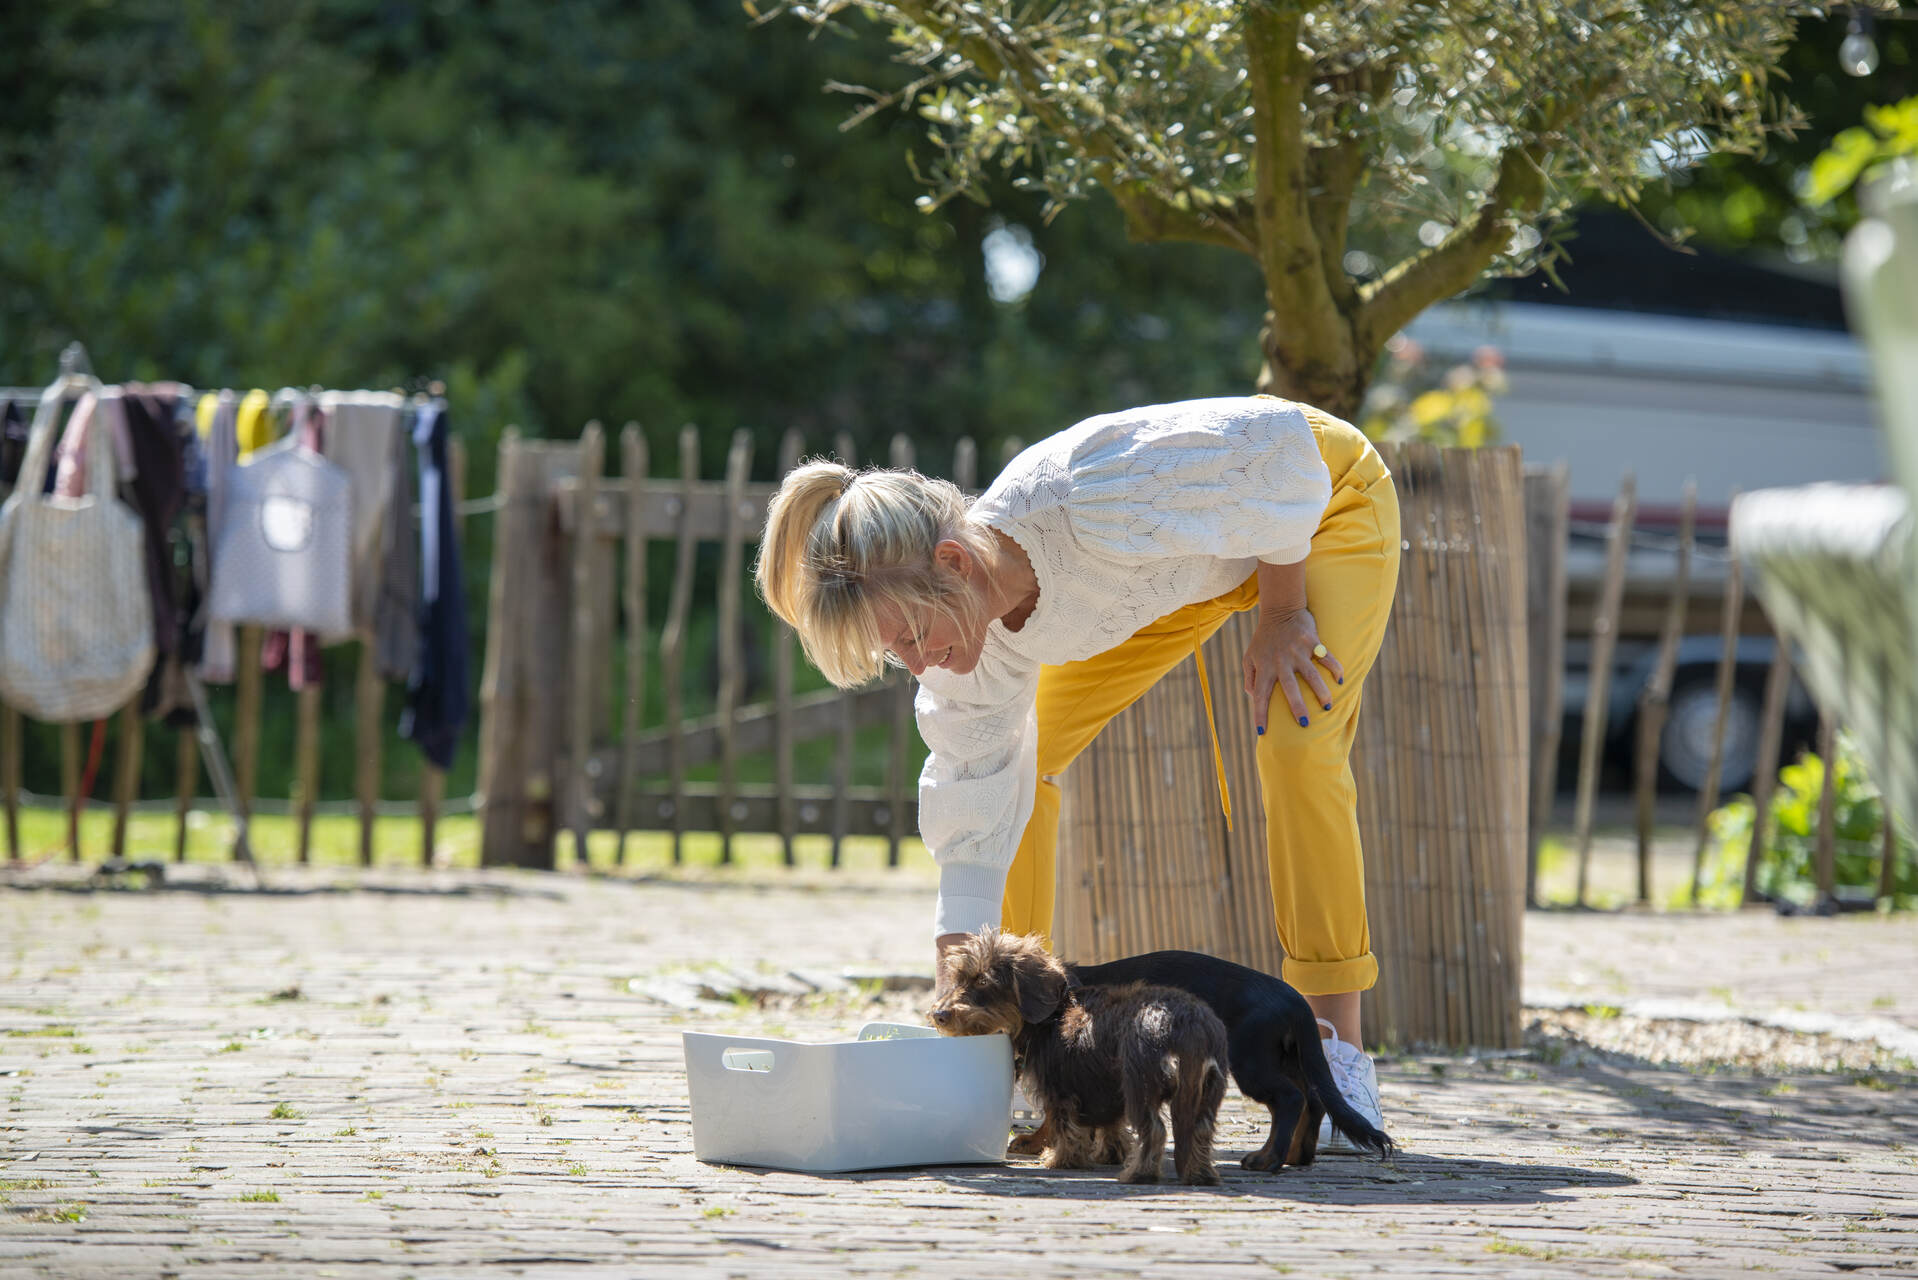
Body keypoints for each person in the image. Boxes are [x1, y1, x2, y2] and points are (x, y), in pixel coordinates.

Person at [755, 395, 1401, 1141]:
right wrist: (961, 1010)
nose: (915, 664)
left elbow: (1281, 459)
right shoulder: (972, 650)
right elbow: (973, 809)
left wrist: (1284, 617)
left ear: (954, 564)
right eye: (894, 652)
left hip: (1319, 506)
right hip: (1200, 566)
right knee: (1025, 766)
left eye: (914, 635)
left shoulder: (1086, 496)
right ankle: (1020, 1041)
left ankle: (1335, 1043)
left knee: (1295, 741)